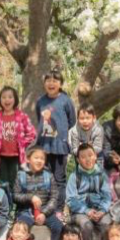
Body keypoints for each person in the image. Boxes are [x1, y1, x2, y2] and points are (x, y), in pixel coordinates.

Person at [0, 86, 36, 197]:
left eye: (10, 97)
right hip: (0, 157)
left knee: (15, 182)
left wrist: (22, 142)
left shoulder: (21, 116)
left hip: (16, 157)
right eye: (4, 97)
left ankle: (15, 207)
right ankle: (5, 207)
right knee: (2, 183)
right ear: (0, 100)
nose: (7, 100)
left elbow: (32, 133)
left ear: (15, 99)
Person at [34, 69, 77, 198]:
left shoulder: (66, 100)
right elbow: (39, 119)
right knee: (45, 178)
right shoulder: (40, 101)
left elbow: (72, 121)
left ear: (60, 84)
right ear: (44, 83)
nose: (51, 83)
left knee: (59, 179)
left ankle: (58, 208)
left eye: (55, 80)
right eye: (48, 80)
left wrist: (61, 134)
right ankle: (46, 207)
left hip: (60, 146)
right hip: (44, 146)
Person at [13, 145, 63, 240]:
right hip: (26, 211)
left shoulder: (49, 175)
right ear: (28, 159)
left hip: (45, 211)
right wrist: (30, 197)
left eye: (42, 159)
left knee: (58, 227)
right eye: (36, 158)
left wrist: (44, 213)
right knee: (21, 228)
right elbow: (15, 195)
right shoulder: (21, 175)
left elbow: (54, 197)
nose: (39, 161)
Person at [66, 143, 112, 240]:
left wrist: (102, 210)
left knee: (106, 224)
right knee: (86, 225)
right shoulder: (74, 176)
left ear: (95, 156)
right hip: (80, 212)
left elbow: (107, 196)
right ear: (78, 160)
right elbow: (71, 199)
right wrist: (87, 211)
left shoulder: (101, 174)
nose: (88, 159)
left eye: (90, 155)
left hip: (99, 210)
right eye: (83, 157)